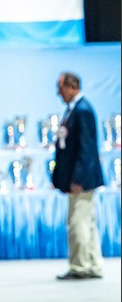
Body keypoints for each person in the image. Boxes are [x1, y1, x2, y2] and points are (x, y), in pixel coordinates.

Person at [52, 71, 105, 280]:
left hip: (80, 181)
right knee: (87, 222)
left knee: (77, 223)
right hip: (78, 178)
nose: (58, 93)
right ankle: (92, 263)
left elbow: (87, 149)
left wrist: (78, 179)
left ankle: (80, 266)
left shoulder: (82, 110)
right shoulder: (75, 109)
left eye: (61, 88)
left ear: (72, 86)